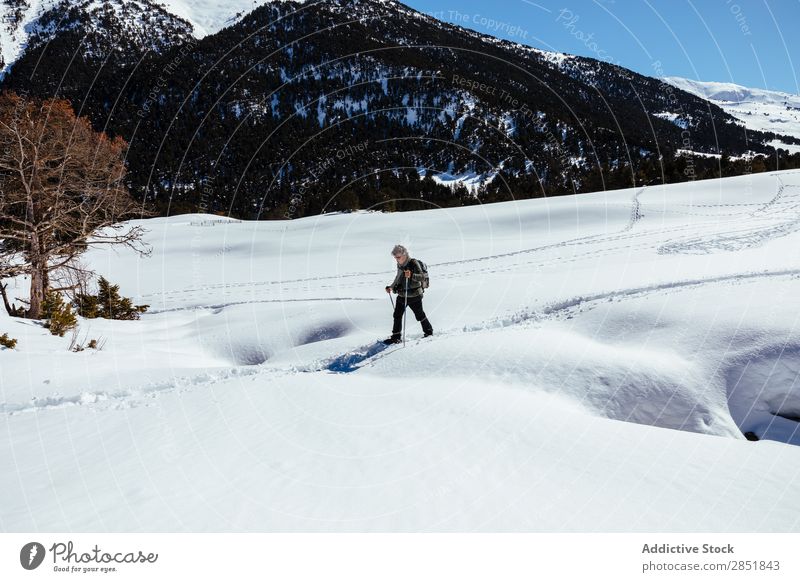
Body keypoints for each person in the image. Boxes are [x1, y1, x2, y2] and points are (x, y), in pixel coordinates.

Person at [383, 244, 433, 344]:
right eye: (395, 257)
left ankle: (429, 332)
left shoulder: (413, 263)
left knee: (419, 315)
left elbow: (422, 277)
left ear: (404, 254)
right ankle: (396, 337)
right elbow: (398, 277)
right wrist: (391, 287)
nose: (396, 259)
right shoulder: (400, 265)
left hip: (414, 296)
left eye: (398, 257)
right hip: (402, 294)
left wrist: (412, 275)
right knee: (397, 315)